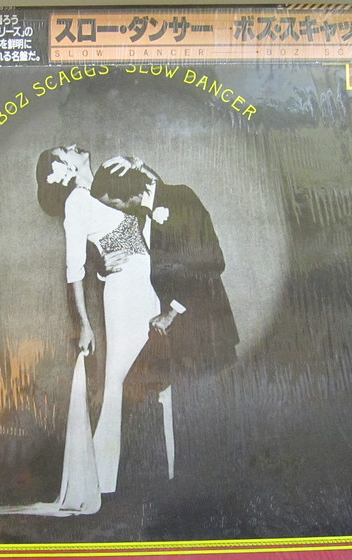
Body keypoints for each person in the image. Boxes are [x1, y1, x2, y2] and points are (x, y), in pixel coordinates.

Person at [0, 145, 162, 517]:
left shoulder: (106, 186)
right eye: (65, 151)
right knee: (121, 380)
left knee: (155, 372)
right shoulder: (77, 203)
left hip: (150, 287)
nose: (73, 147)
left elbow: (150, 209)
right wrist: (84, 325)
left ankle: (145, 471)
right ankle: (107, 479)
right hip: (125, 294)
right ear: (61, 172)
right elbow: (74, 271)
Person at [91, 157, 240, 487]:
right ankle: (181, 485)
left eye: (113, 203)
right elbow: (121, 258)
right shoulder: (137, 212)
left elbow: (212, 260)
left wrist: (172, 311)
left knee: (199, 410)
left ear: (129, 194)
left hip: (201, 324)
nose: (113, 210)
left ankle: (209, 489)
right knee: (174, 407)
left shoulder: (180, 198)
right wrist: (103, 266)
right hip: (174, 330)